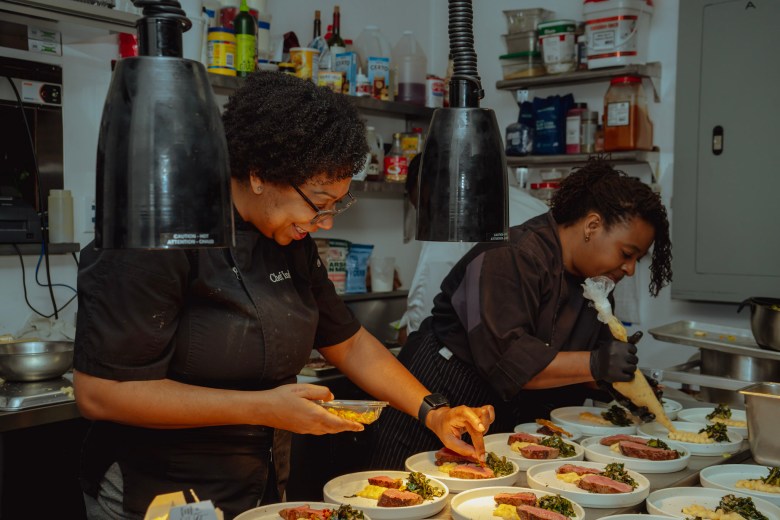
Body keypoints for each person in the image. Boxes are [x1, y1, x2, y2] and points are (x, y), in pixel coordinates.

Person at [73, 72, 494, 520]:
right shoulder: (158, 233)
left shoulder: (288, 240)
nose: (326, 221)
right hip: (156, 494)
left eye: (337, 204)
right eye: (318, 202)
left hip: (256, 486)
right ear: (259, 174)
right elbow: (100, 393)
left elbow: (349, 342)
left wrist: (433, 413)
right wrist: (262, 408)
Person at [370, 159, 672, 469]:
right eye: (626, 253)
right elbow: (512, 363)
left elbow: (582, 362)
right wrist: (597, 365)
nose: (631, 269)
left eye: (637, 259)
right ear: (592, 226)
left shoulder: (594, 281)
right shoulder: (512, 255)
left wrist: (619, 383)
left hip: (493, 419)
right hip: (439, 398)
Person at [397, 155, 549, 345]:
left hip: (489, 348)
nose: (424, 217)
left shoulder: (453, 213)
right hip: (538, 342)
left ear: (425, 188)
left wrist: (410, 336)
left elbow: (427, 302)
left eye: (420, 207)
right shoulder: (531, 204)